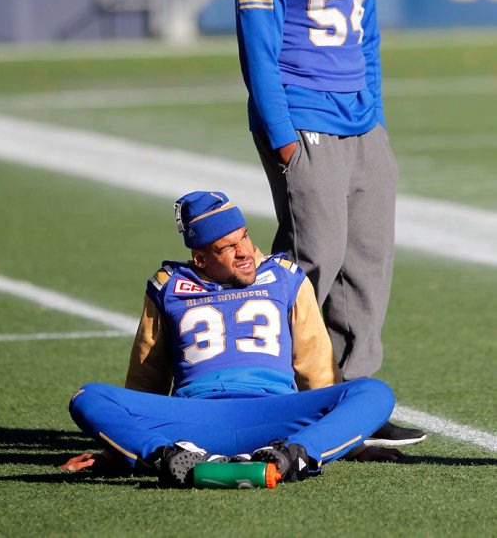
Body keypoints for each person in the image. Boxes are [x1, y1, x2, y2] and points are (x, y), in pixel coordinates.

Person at [234, 0, 425, 446]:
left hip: (360, 121)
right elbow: (258, 49)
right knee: (315, 257)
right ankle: (270, 393)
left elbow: (366, 34)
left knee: (368, 265)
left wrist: (376, 114)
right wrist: (282, 135)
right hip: (301, 116)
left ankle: (352, 400)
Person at [61, 190, 402, 487]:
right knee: (86, 397)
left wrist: (350, 441)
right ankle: (169, 458)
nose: (245, 252)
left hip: (274, 414)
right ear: (200, 258)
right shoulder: (167, 287)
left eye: (244, 237)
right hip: (196, 418)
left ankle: (290, 456)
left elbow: (317, 369)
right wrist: (119, 448)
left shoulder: (286, 278)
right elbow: (146, 376)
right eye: (227, 247)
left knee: (374, 392)